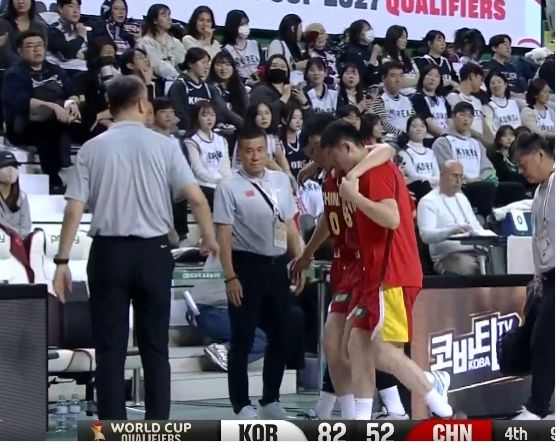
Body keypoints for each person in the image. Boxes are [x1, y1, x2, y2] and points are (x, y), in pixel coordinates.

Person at [51, 75, 217, 420]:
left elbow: (73, 208)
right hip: (153, 252)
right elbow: (198, 198)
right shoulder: (165, 145)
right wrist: (209, 237)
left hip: (109, 253)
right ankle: (157, 428)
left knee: (109, 350)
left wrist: (62, 260)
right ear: (143, 103)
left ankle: (113, 430)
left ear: (110, 106)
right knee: (155, 349)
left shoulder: (93, 148)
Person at [322, 120, 452, 420]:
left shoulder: (375, 171)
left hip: (393, 272)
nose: (334, 168)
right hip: (373, 273)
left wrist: (355, 198)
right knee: (354, 345)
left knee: (379, 351)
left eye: (335, 159)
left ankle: (434, 391)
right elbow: (384, 148)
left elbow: (391, 217)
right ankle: (361, 421)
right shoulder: (361, 166)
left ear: (347, 148)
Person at [292, 126, 411, 420]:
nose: (317, 156)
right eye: (311, 153)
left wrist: (351, 175)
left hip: (370, 264)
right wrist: (307, 254)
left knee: (362, 344)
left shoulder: (359, 169)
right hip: (344, 263)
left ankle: (397, 404)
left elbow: (386, 149)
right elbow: (329, 219)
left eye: (319, 149)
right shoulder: (331, 177)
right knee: (336, 343)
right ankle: (346, 412)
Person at [213, 126, 304, 419]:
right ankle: (241, 404)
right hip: (245, 266)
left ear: (268, 151)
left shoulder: (280, 181)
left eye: (260, 150)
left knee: (282, 331)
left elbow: (289, 224)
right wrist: (230, 276)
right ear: (239, 153)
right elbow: (223, 234)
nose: (255, 157)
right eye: (249, 151)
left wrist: (300, 261)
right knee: (243, 337)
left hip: (277, 265)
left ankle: (270, 400)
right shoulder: (228, 187)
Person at [2, 30, 81, 193]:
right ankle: (54, 179)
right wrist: (54, 107)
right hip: (25, 124)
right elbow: (21, 101)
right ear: (20, 51)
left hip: (58, 119)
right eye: (30, 46)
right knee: (47, 131)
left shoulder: (55, 69)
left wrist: (72, 103)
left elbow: (72, 90)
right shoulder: (15, 73)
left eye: (39, 45)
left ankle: (81, 178)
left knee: (84, 126)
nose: (36, 49)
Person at [512, 133, 554, 420]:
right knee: (543, 340)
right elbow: (539, 237)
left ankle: (537, 409)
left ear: (540, 155)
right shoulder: (540, 191)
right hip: (548, 277)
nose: (520, 170)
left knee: (543, 340)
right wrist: (538, 275)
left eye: (522, 163)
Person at [417, 160, 489, 275]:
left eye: (461, 176)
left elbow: (475, 226)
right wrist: (450, 231)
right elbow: (426, 236)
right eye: (454, 176)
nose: (458, 180)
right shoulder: (428, 201)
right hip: (448, 256)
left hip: (477, 251)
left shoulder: (462, 199)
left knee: (499, 263)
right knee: (471, 268)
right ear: (442, 175)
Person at [432, 102, 498, 218]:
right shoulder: (443, 142)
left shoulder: (476, 144)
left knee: (515, 188)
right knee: (485, 188)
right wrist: (468, 180)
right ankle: (486, 221)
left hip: (480, 184)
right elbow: (446, 168)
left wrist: (481, 179)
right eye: (462, 115)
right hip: (459, 185)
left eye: (469, 116)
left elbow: (488, 168)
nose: (466, 119)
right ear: (453, 117)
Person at [185, 101, 233, 210]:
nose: (209, 118)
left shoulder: (221, 140)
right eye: (204, 115)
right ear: (197, 118)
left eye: (212, 115)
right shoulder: (192, 141)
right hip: (203, 185)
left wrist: (227, 182)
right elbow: (198, 170)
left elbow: (226, 166)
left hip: (223, 185)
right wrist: (218, 181)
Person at [397, 116, 440, 201]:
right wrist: (430, 181)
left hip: (433, 190)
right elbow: (414, 177)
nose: (419, 129)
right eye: (414, 126)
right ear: (407, 130)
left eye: (422, 126)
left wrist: (430, 181)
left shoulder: (430, 152)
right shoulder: (404, 152)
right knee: (424, 185)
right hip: (417, 191)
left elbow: (438, 177)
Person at [370, 61, 415, 137]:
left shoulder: (406, 100)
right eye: (393, 76)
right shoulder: (379, 99)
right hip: (389, 140)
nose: (398, 80)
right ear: (383, 78)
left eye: (401, 76)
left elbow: (414, 121)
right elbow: (384, 125)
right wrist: (403, 135)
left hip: (408, 138)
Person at [446, 63, 486, 143]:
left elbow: (483, 125)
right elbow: (456, 124)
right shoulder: (453, 97)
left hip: (480, 144)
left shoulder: (477, 101)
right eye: (480, 79)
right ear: (471, 76)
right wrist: (481, 137)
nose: (481, 83)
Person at [0, 150, 31, 237]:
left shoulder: (22, 197)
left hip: (17, 242)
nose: (11, 170)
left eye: (14, 166)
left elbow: (26, 227)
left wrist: (15, 237)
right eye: (5, 166)